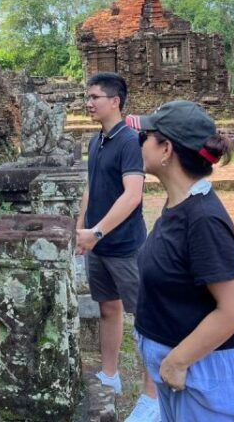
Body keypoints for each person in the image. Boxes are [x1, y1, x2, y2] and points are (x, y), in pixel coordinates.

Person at [127, 100, 234, 421]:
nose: (141, 143)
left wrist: (177, 361)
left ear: (166, 149)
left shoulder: (203, 219)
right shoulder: (179, 203)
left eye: (147, 137)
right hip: (179, 372)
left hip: (197, 373)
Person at [75, 72, 160, 422]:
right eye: (88, 96)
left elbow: (133, 195)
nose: (89, 102)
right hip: (99, 246)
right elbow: (92, 188)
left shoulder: (129, 141)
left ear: (115, 101)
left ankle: (153, 395)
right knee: (108, 309)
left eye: (96, 97)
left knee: (146, 319)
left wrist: (96, 232)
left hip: (124, 246)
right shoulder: (97, 141)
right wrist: (81, 228)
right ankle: (110, 374)